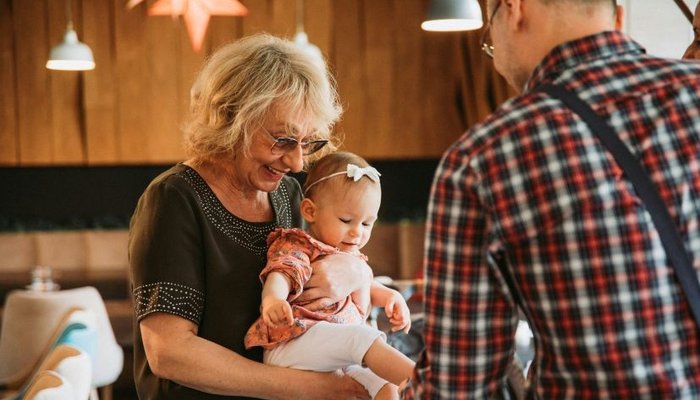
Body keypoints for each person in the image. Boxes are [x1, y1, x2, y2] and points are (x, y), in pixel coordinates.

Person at [403, 0, 700, 398]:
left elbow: (459, 389)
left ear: (513, 8)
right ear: (617, 16)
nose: (493, 53)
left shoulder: (484, 159)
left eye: (488, 38)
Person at [129, 33, 375, 399]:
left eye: (307, 143)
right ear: (230, 119)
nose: (296, 163)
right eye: (282, 140)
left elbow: (322, 261)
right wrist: (315, 389)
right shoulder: (173, 199)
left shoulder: (287, 194)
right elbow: (170, 353)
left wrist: (357, 270)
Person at [244, 151, 415, 400]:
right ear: (310, 211)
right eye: (346, 220)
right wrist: (273, 299)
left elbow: (367, 286)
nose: (357, 233)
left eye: (367, 224)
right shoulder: (300, 246)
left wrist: (390, 296)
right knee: (361, 338)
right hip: (293, 344)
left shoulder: (352, 255)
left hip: (336, 353)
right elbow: (283, 272)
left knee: (384, 386)